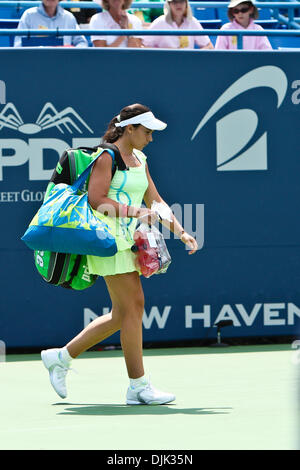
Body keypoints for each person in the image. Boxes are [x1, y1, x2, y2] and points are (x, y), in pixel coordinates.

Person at [41, 103, 198, 405]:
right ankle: (138, 385)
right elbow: (97, 200)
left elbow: (156, 200)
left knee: (122, 314)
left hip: (131, 239)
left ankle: (60, 357)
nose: (151, 138)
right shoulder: (106, 157)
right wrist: (133, 211)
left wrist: (180, 231)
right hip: (108, 240)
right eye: (147, 132)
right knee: (135, 304)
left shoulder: (140, 158)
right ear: (130, 129)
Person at [14, 0, 88, 48]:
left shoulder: (69, 17)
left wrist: (71, 50)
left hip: (64, 64)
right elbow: (18, 45)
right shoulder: (28, 15)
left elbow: (82, 43)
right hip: (35, 64)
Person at [142, 0, 214, 50]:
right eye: (174, 2)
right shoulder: (160, 22)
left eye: (182, 1)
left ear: (186, 4)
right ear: (169, 5)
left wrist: (194, 56)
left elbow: (209, 46)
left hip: (188, 64)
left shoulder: (192, 22)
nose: (178, 5)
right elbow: (143, 46)